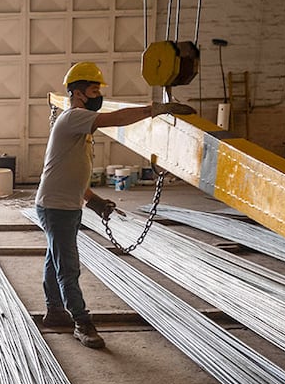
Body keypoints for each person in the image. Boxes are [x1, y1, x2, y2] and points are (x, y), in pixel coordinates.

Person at [35, 61, 195, 349]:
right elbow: (116, 119)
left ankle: (55, 311)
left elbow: (69, 173)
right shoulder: (74, 118)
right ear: (78, 93)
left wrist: (94, 201)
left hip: (65, 204)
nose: (99, 95)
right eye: (94, 89)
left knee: (55, 257)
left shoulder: (79, 127)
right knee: (67, 266)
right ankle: (82, 322)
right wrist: (153, 110)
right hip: (56, 207)